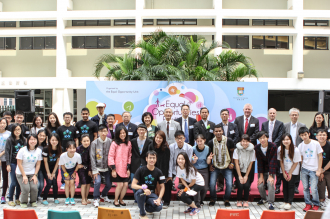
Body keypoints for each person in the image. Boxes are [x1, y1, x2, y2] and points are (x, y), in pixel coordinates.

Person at [131, 150, 165, 219]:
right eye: (150, 158)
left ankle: (147, 208)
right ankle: (142, 213)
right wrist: (144, 188)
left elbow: (162, 187)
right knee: (140, 192)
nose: (152, 160)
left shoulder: (159, 172)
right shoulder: (140, 170)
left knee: (159, 207)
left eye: (153, 158)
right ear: (146, 159)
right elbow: (133, 185)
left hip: (151, 194)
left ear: (156, 159)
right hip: (141, 194)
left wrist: (159, 199)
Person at [207, 125, 235, 207]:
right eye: (216, 131)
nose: (218, 133)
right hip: (215, 166)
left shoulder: (228, 140)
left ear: (222, 131)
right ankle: (213, 198)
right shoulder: (211, 142)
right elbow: (209, 155)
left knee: (229, 184)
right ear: (214, 132)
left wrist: (232, 163)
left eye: (220, 131)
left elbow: (232, 153)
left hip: (227, 166)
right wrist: (209, 165)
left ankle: (226, 199)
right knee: (212, 184)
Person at [298, 127, 323, 211]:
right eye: (302, 135)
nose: (304, 137)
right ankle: (308, 204)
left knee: (313, 188)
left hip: (314, 169)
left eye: (305, 134)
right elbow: (301, 158)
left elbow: (320, 157)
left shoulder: (316, 143)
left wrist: (319, 169)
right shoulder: (300, 145)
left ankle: (316, 204)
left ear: (308, 134)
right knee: (305, 188)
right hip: (304, 169)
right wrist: (301, 169)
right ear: (300, 136)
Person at [261, 108, 285, 194]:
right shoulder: (264, 124)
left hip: (276, 148)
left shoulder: (280, 124)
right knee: (266, 167)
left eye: (273, 113)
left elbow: (280, 136)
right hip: (266, 148)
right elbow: (263, 135)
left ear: (276, 114)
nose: (272, 114)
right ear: (268, 114)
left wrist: (273, 145)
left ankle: (277, 186)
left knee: (277, 168)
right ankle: (266, 184)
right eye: (270, 113)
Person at [16, 134, 42, 208]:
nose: (33, 141)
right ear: (27, 141)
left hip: (32, 173)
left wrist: (35, 175)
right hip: (21, 173)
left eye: (34, 139)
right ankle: (23, 202)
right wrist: (24, 176)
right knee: (26, 188)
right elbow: (19, 164)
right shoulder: (22, 150)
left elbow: (38, 164)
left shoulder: (38, 151)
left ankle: (33, 201)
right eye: (31, 139)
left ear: (37, 140)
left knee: (34, 187)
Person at [284, 108, 307, 194]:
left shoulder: (303, 125)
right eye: (292, 115)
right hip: (287, 149)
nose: (294, 116)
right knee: (288, 166)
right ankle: (287, 184)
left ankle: (296, 186)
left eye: (296, 115)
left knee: (297, 168)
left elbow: (304, 138)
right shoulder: (285, 125)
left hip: (298, 150)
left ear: (298, 116)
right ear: (290, 116)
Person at [109, 126, 132, 207]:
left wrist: (128, 168)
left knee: (125, 185)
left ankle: (121, 199)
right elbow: (111, 156)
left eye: (124, 133)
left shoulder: (128, 143)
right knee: (120, 185)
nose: (122, 134)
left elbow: (129, 155)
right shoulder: (114, 143)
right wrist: (113, 169)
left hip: (125, 168)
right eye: (120, 133)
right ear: (117, 134)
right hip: (117, 167)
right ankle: (115, 200)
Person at [90, 124, 112, 207]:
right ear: (98, 132)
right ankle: (96, 199)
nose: (103, 133)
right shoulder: (94, 143)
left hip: (107, 168)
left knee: (109, 184)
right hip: (97, 168)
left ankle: (103, 195)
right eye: (101, 131)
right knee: (97, 182)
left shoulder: (110, 141)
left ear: (107, 132)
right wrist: (94, 170)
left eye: (105, 131)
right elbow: (92, 157)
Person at [176, 152, 205, 216]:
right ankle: (192, 207)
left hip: (199, 183)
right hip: (190, 184)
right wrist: (186, 187)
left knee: (184, 195)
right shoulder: (178, 167)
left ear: (186, 160)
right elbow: (182, 179)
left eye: (182, 159)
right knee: (179, 195)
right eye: (179, 158)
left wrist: (186, 188)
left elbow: (193, 182)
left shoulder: (190, 168)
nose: (180, 160)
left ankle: (196, 208)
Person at [217, 108, 239, 193]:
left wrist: (229, 145)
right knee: (220, 167)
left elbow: (237, 137)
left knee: (231, 167)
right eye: (223, 114)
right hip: (220, 150)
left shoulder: (234, 126)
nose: (224, 115)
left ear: (228, 116)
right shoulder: (218, 126)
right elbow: (216, 137)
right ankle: (220, 185)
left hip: (231, 150)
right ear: (220, 116)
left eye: (226, 114)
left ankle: (231, 185)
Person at [278, 133, 301, 210]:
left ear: (291, 140)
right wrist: (284, 172)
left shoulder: (296, 150)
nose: (286, 141)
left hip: (293, 170)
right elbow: (281, 161)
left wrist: (290, 173)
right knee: (284, 185)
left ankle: (289, 202)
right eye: (284, 140)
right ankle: (285, 201)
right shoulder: (280, 149)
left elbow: (296, 162)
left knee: (291, 185)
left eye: (287, 139)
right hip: (284, 170)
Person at [148, 131, 171, 209]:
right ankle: (154, 199)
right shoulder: (151, 146)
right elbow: (149, 158)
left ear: (163, 139)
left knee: (159, 184)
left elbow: (166, 163)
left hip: (162, 170)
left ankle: (159, 199)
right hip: (152, 168)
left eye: (160, 138)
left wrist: (164, 175)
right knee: (153, 184)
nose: (158, 139)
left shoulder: (166, 149)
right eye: (157, 137)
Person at [168, 130, 193, 200]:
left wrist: (185, 173)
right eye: (177, 138)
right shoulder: (171, 147)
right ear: (175, 139)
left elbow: (189, 162)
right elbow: (170, 161)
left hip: (184, 168)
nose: (179, 140)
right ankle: (167, 200)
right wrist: (170, 175)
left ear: (184, 138)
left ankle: (187, 199)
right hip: (174, 168)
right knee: (168, 183)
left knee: (184, 186)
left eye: (181, 138)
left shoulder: (189, 148)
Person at [56, 112, 79, 190]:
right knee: (63, 166)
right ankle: (63, 181)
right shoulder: (60, 128)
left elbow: (77, 139)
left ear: (71, 118)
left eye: (69, 117)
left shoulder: (74, 128)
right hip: (62, 149)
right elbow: (57, 140)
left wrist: (77, 148)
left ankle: (73, 181)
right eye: (66, 117)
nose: (67, 119)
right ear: (63, 118)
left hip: (72, 150)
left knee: (73, 165)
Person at [255, 131, 277, 210]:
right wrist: (261, 176)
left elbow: (273, 161)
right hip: (262, 169)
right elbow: (259, 162)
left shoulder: (273, 146)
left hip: (271, 168)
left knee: (270, 184)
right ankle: (264, 198)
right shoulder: (257, 147)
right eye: (260, 138)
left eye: (264, 137)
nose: (262, 139)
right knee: (260, 185)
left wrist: (271, 175)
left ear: (267, 138)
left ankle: (271, 202)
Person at [5, 123, 25, 206]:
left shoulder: (23, 140)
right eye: (15, 130)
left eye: (19, 129)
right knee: (14, 182)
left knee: (19, 182)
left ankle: (17, 198)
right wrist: (8, 164)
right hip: (13, 163)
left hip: (21, 163)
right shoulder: (9, 140)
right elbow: (7, 152)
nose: (17, 131)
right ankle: (10, 199)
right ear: (12, 131)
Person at [233, 134, 255, 207]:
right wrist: (239, 176)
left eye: (246, 141)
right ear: (240, 142)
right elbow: (236, 164)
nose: (245, 143)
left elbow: (251, 164)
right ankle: (239, 200)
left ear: (249, 142)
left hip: (247, 171)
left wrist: (246, 176)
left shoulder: (252, 151)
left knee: (246, 185)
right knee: (240, 185)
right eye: (243, 141)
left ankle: (246, 200)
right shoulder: (236, 150)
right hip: (238, 170)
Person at [58, 141, 82, 205]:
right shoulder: (63, 156)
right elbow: (62, 165)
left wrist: (74, 172)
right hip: (64, 169)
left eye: (74, 148)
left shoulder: (78, 155)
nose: (72, 150)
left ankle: (72, 198)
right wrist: (66, 174)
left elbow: (78, 165)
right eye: (70, 148)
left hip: (73, 169)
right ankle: (67, 198)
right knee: (67, 182)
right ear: (66, 149)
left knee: (72, 182)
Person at [130, 124, 152, 192]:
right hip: (134, 164)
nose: (141, 131)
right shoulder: (133, 141)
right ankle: (136, 197)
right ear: (137, 131)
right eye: (140, 129)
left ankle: (143, 197)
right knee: (133, 182)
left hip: (145, 163)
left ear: (146, 131)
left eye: (143, 130)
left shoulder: (150, 142)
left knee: (144, 181)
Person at [192, 134, 212, 208]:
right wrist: (194, 160)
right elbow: (192, 162)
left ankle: (201, 200)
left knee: (205, 187)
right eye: (198, 141)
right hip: (195, 169)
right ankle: (197, 202)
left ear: (204, 140)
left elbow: (208, 162)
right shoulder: (193, 149)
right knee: (197, 186)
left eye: (201, 141)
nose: (199, 143)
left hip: (204, 169)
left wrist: (209, 159)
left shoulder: (207, 148)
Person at [41, 133, 61, 205]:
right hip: (46, 168)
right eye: (52, 140)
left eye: (56, 140)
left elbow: (57, 162)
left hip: (54, 168)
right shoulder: (46, 149)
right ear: (49, 140)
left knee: (54, 182)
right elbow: (45, 162)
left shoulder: (59, 148)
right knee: (49, 182)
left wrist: (53, 172)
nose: (54, 141)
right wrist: (49, 173)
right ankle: (44, 199)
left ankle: (55, 198)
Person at [77, 134, 92, 205]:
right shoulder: (78, 149)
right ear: (81, 141)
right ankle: (83, 199)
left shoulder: (91, 148)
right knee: (84, 183)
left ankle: (86, 198)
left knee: (88, 183)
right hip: (81, 168)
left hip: (89, 168)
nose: (86, 142)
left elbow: (91, 160)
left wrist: (90, 170)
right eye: (84, 141)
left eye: (88, 141)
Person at [317, 129, 330, 209]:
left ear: (327, 136)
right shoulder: (314, 145)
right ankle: (322, 202)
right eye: (320, 135)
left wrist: (323, 170)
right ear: (316, 136)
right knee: (321, 185)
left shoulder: (329, 145)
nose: (322, 137)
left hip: (328, 169)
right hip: (318, 169)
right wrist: (319, 171)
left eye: (324, 135)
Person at [0, 117, 11, 204]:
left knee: (5, 177)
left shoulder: (9, 134)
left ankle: (3, 195)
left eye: (4, 123)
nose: (2, 125)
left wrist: (1, 154)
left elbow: (8, 148)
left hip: (5, 158)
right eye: (1, 123)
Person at [36, 129, 47, 202]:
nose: (42, 137)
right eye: (40, 135)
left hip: (42, 167)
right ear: (37, 135)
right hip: (33, 167)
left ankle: (38, 196)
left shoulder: (46, 146)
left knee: (41, 185)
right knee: (37, 184)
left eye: (43, 136)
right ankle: (34, 197)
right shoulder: (33, 144)